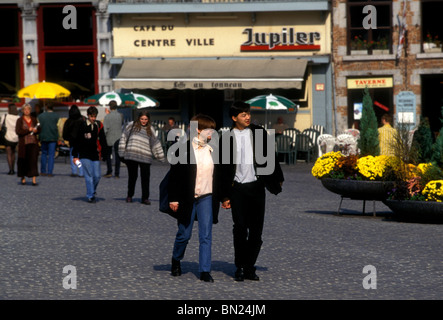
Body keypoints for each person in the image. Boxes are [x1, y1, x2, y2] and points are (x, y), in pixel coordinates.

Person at [221, 101, 284, 281]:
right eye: (243, 114)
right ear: (234, 118)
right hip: (237, 189)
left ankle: (250, 266)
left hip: (256, 187)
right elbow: (222, 169)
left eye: (248, 113)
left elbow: (271, 155)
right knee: (240, 229)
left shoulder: (259, 133)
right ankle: (240, 266)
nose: (248, 117)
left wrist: (278, 179)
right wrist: (224, 195)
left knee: (256, 232)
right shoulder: (226, 138)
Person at [169, 114, 221, 283]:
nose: (212, 133)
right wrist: (174, 198)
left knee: (206, 235)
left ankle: (205, 270)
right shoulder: (182, 149)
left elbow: (220, 175)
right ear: (198, 130)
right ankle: (176, 259)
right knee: (184, 234)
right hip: (187, 197)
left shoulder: (213, 150)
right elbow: (174, 176)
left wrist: (225, 196)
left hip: (206, 196)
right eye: (209, 130)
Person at [118, 110, 165, 205]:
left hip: (145, 156)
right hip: (132, 154)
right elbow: (123, 138)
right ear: (138, 118)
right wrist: (121, 152)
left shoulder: (150, 129)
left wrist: (160, 157)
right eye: (142, 119)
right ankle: (129, 195)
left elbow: (155, 143)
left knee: (145, 178)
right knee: (132, 177)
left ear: (148, 119)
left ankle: (145, 198)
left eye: (146, 119)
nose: (144, 121)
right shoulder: (131, 125)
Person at [72, 106, 108, 203]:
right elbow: (77, 141)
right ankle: (90, 195)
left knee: (97, 176)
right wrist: (75, 155)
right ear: (88, 116)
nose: (93, 118)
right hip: (84, 154)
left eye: (94, 116)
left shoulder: (98, 125)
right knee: (89, 175)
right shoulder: (82, 125)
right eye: (91, 116)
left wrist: (105, 153)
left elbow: (103, 139)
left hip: (95, 154)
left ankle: (92, 190)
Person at [16, 103, 41, 186]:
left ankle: (34, 179)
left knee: (33, 161)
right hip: (24, 143)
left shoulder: (34, 119)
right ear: (23, 111)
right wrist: (27, 130)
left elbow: (39, 129)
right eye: (25, 109)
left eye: (28, 109)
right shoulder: (20, 120)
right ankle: (23, 177)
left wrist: (36, 130)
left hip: (33, 142)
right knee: (23, 160)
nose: (27, 111)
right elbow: (18, 131)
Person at [38, 103, 60, 177]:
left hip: (43, 136)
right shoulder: (56, 116)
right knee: (51, 155)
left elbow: (38, 126)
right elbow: (59, 128)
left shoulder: (40, 116)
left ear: (46, 107)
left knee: (43, 154)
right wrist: (59, 137)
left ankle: (43, 171)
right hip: (53, 137)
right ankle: (50, 172)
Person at [62, 104, 84, 177]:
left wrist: (66, 138)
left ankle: (74, 171)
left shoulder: (69, 121)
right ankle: (81, 172)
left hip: (72, 141)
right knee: (80, 156)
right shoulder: (82, 120)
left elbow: (65, 131)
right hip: (81, 141)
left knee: (72, 155)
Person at [103, 100, 124, 178]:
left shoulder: (107, 117)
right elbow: (121, 124)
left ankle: (109, 171)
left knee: (108, 155)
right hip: (118, 137)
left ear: (110, 107)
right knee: (117, 156)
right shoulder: (120, 115)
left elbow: (105, 129)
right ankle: (117, 173)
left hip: (109, 137)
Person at [1, 104, 20, 175]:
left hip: (7, 136)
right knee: (13, 153)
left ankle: (10, 169)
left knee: (8, 153)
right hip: (16, 137)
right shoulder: (18, 117)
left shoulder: (5, 116)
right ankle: (14, 168)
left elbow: (1, 124)